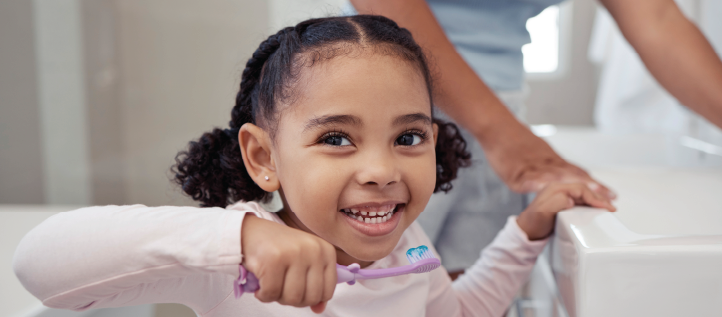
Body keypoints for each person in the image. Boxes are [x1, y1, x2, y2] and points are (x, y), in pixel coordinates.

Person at [12, 15, 615, 316]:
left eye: (408, 135)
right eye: (335, 138)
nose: (381, 169)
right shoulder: (237, 262)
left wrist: (526, 233)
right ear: (263, 158)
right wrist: (239, 236)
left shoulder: (408, 244)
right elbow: (40, 262)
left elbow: (451, 313)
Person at [349, 0, 722, 277]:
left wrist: (521, 235)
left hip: (496, 107)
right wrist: (500, 133)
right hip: (386, 98)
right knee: (372, 287)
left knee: (436, 283)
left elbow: (657, 19)